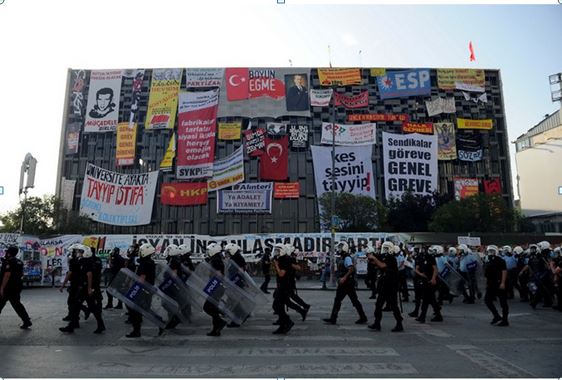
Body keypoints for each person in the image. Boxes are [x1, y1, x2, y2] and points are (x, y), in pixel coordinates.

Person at [323, 241, 367, 325]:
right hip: (344, 283)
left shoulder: (347, 258)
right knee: (340, 300)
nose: (338, 249)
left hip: (347, 283)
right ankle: (333, 318)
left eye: (340, 248)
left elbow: (351, 268)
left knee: (351, 300)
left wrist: (344, 277)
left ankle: (362, 317)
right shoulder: (343, 257)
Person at [367, 242, 403, 332]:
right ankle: (377, 323)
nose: (384, 250)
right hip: (384, 283)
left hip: (391, 284)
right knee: (378, 304)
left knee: (394, 305)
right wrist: (371, 257)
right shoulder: (384, 257)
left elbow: (382, 265)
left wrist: (374, 258)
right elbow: (374, 261)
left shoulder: (391, 258)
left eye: (386, 248)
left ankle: (399, 323)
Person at [126, 243, 156, 338]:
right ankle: (160, 322)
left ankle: (136, 331)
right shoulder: (151, 262)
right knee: (144, 309)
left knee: (135, 309)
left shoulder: (144, 263)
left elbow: (142, 278)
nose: (139, 253)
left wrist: (134, 288)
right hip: (148, 289)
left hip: (142, 290)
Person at [0, 246, 32, 329]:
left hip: (8, 287)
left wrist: (2, 288)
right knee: (17, 304)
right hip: (17, 286)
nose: (6, 253)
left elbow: (7, 275)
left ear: (9, 253)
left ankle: (27, 321)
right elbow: (21, 274)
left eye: (7, 252)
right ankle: (26, 320)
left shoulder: (8, 262)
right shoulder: (19, 262)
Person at [203, 243, 228, 337]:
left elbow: (218, 275)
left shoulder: (216, 261)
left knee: (207, 307)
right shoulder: (216, 259)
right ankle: (216, 330)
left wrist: (212, 285)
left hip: (216, 287)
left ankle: (220, 322)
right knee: (213, 307)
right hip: (217, 287)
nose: (207, 252)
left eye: (208, 251)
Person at [414, 245, 443, 323]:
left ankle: (422, 317)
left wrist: (433, 278)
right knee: (431, 299)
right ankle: (438, 315)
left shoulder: (430, 258)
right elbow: (417, 268)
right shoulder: (422, 258)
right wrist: (421, 274)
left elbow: (435, 269)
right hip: (426, 280)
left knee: (426, 299)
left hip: (431, 281)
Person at [272, 243, 295, 334]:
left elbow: (281, 274)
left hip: (285, 286)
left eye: (278, 251)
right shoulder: (281, 259)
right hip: (282, 286)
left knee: (278, 306)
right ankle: (284, 323)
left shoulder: (285, 260)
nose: (276, 253)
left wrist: (276, 265)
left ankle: (287, 322)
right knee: (277, 306)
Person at [484, 245, 509, 326]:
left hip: (499, 283)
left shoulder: (500, 261)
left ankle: (505, 320)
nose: (490, 253)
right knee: (487, 300)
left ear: (496, 252)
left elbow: (504, 272)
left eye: (492, 251)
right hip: (491, 284)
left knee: (503, 302)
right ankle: (496, 316)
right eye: (489, 251)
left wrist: (503, 283)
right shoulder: (488, 261)